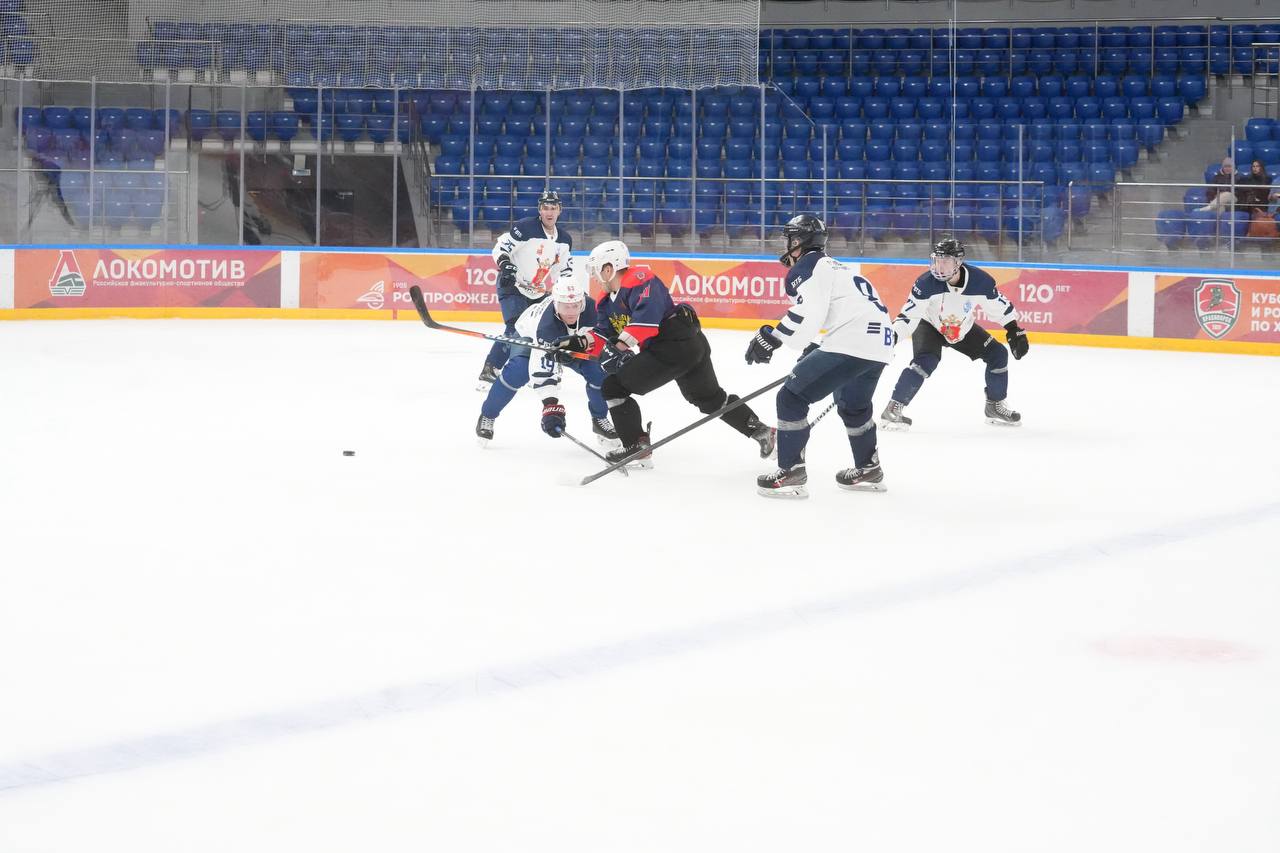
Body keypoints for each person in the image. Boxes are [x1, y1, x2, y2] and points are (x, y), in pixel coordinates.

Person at [554, 239, 776, 468]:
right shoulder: (605, 302)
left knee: (613, 387)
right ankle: (762, 432)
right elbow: (602, 335)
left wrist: (617, 347)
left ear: (608, 269)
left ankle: (635, 446)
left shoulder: (640, 279)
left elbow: (646, 322)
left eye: (596, 272)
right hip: (682, 347)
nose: (595, 278)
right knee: (710, 400)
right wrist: (574, 346)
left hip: (675, 345)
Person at [745, 214, 895, 499]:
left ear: (799, 241)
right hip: (879, 346)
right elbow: (840, 312)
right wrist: (818, 346)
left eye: (788, 239)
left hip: (852, 342)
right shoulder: (840, 268)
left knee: (790, 398)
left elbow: (809, 313)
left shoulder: (809, 265)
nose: (785, 245)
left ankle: (790, 472)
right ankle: (868, 468)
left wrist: (772, 337)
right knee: (854, 407)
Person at [880, 237, 1028, 429]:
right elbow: (908, 317)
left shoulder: (980, 281)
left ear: (958, 262)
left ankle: (995, 406)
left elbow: (998, 306)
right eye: (937, 260)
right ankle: (894, 408)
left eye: (946, 261)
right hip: (929, 325)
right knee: (925, 362)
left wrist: (1013, 329)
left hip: (960, 328)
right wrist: (890, 339)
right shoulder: (925, 283)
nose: (939, 267)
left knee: (998, 354)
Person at [475, 276, 619, 447]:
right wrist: (550, 405)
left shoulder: (593, 311)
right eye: (566, 306)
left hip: (575, 341)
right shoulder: (544, 326)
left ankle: (600, 419)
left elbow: (603, 338)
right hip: (530, 337)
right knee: (517, 372)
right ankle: (488, 414)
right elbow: (543, 371)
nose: (572, 311)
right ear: (557, 304)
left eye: (576, 306)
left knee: (598, 373)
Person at [476, 190, 573, 389]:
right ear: (539, 209)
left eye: (553, 208)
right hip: (512, 285)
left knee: (541, 331)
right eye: (545, 207)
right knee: (516, 328)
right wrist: (505, 264)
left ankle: (537, 371)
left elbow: (562, 269)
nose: (549, 212)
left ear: (560, 210)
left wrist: (566, 290)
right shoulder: (526, 227)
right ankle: (490, 369)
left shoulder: (564, 239)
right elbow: (501, 247)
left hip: (536, 291)